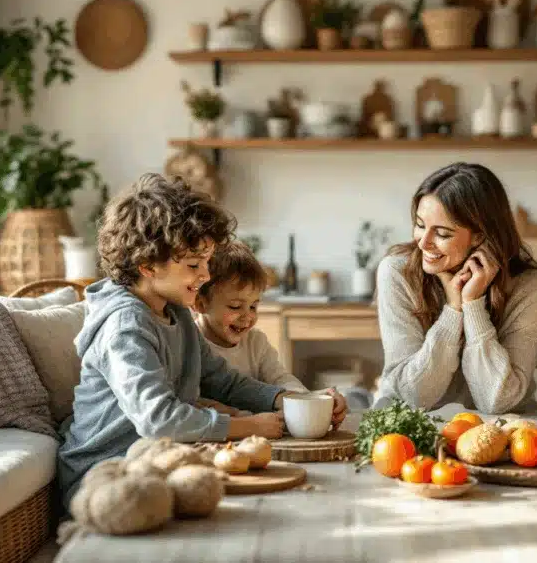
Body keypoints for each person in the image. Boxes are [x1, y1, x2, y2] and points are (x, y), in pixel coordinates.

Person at [57, 173, 345, 507]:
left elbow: (224, 382)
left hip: (158, 460)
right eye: (195, 264)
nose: (206, 275)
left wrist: (290, 400)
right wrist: (243, 427)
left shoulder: (175, 311)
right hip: (106, 474)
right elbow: (158, 418)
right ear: (148, 265)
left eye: (207, 262)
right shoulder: (125, 325)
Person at [374, 162, 537, 414]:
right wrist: (453, 310)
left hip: (501, 432)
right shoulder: (397, 272)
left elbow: (497, 400)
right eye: (419, 224)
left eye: (442, 233)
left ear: (480, 236)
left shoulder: (532, 287)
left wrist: (473, 306)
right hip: (410, 429)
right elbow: (415, 396)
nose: (424, 243)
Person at [193, 240, 309, 418]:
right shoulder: (188, 342)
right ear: (201, 304)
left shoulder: (256, 342)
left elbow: (280, 378)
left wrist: (304, 399)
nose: (247, 317)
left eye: (253, 306)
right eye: (235, 307)